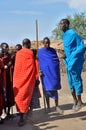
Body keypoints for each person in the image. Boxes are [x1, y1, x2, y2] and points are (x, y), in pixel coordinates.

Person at [60, 19, 85, 112]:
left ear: (67, 24)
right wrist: (66, 55)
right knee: (70, 82)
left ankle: (80, 101)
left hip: (74, 62)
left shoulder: (73, 34)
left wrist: (73, 56)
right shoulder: (64, 35)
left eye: (62, 24)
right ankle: (75, 101)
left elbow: (81, 46)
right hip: (68, 62)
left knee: (76, 80)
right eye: (60, 24)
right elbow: (69, 49)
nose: (61, 26)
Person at [13, 38, 36, 126]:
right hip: (28, 80)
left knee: (20, 97)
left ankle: (22, 117)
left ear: (23, 45)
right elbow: (33, 66)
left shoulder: (18, 53)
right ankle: (26, 115)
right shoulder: (31, 53)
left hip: (18, 81)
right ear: (29, 44)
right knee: (28, 97)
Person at [38, 37, 63, 114]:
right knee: (46, 90)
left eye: (48, 42)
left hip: (52, 73)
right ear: (43, 43)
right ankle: (48, 107)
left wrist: (56, 62)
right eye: (45, 43)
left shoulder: (52, 50)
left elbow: (56, 60)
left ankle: (57, 106)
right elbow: (37, 61)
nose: (47, 44)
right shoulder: (40, 52)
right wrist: (39, 70)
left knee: (54, 89)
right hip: (45, 74)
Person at [1, 43, 14, 118]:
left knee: (9, 95)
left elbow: (11, 62)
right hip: (2, 78)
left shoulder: (9, 55)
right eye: (5, 48)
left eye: (7, 48)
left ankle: (8, 112)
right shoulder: (0, 56)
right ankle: (4, 112)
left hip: (9, 78)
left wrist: (9, 64)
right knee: (3, 96)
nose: (6, 49)